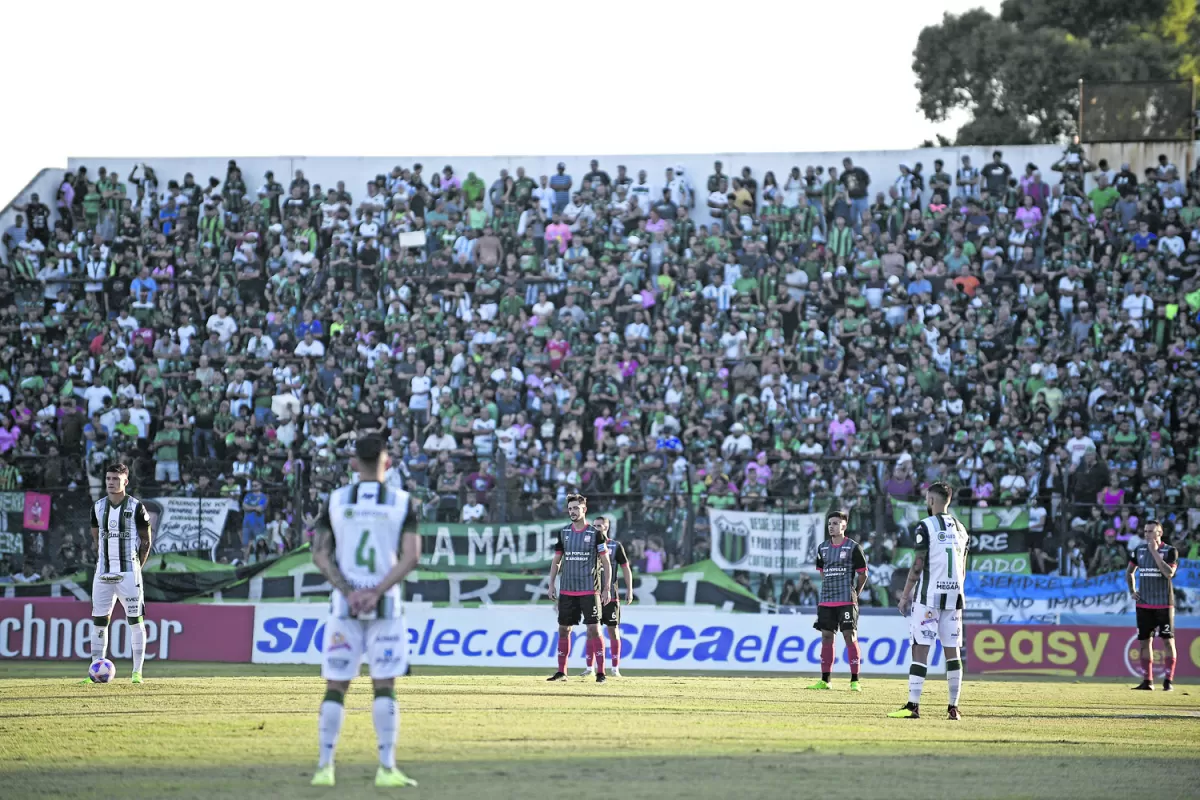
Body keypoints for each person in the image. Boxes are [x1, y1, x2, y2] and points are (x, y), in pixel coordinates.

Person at [310, 434, 421, 789]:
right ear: (386, 462)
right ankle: (386, 768)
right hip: (386, 608)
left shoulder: (336, 500)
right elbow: (411, 556)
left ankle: (325, 767)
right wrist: (375, 592)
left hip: (344, 607)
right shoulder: (403, 502)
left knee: (336, 686)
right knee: (384, 686)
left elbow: (320, 554)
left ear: (354, 463)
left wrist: (350, 591)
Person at [889, 482, 967, 720]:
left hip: (928, 597)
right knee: (952, 652)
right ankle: (953, 707)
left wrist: (905, 595)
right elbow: (963, 566)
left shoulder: (926, 526)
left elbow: (918, 563)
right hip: (954, 597)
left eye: (926, 499)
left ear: (932, 500)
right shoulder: (962, 529)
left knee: (920, 649)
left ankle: (913, 705)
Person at [85, 463, 153, 685]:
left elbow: (146, 541)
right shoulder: (97, 507)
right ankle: (95, 670)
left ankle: (136, 673)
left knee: (135, 621)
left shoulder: (136, 507)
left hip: (128, 573)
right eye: (108, 478)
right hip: (103, 573)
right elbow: (96, 538)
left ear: (125, 481)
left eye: (115, 478)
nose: (110, 482)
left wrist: (136, 568)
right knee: (98, 622)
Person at [546, 493, 612, 683]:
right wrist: (551, 584)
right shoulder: (564, 533)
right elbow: (557, 561)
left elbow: (606, 563)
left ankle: (601, 673)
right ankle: (561, 672)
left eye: (576, 508)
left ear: (584, 509)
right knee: (564, 629)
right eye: (570, 509)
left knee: (593, 629)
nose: (572, 512)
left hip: (590, 589)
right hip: (567, 590)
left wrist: (606, 588)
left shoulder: (595, 534)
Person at [807, 509, 868, 692]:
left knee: (850, 636)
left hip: (846, 599)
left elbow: (863, 574)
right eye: (829, 524)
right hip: (827, 600)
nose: (831, 527)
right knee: (826, 637)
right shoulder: (822, 548)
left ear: (844, 526)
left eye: (835, 523)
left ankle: (855, 680)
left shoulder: (853, 547)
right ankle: (825, 680)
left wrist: (855, 593)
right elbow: (822, 572)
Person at [1126, 519, 1178, 691]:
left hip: (1164, 604)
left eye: (1151, 531)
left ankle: (1168, 681)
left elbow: (1169, 573)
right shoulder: (1138, 550)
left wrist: (1155, 553)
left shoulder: (1170, 551)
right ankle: (1147, 681)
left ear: (1159, 533)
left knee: (1168, 642)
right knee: (1144, 643)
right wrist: (1132, 590)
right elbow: (1130, 572)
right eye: (1146, 531)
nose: (1147, 534)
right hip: (1144, 605)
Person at [581, 516, 632, 679]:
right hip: (591, 594)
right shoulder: (587, 546)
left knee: (613, 631)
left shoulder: (615, 546)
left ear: (606, 527)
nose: (596, 528)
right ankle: (590, 668)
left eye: (600, 526)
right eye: (594, 526)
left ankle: (615, 668)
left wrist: (629, 590)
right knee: (591, 631)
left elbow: (626, 568)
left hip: (611, 594)